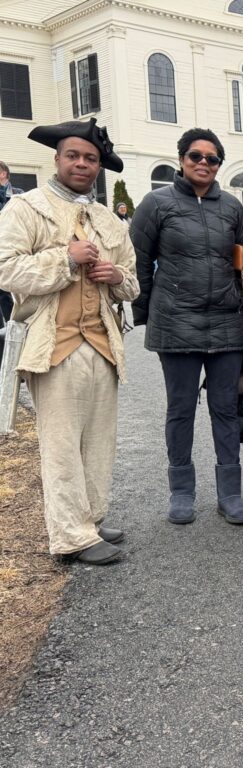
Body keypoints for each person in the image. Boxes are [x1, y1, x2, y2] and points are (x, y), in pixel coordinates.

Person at [0, 118, 139, 564]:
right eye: (73, 156)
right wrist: (65, 258)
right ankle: (71, 536)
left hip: (101, 341)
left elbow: (132, 282)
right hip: (51, 344)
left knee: (98, 440)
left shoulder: (107, 220)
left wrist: (115, 276)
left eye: (90, 158)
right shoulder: (26, 208)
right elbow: (5, 268)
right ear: (57, 159)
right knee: (60, 445)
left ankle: (91, 519)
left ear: (99, 166)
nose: (81, 164)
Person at [131, 128, 243, 526]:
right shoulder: (156, 203)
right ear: (182, 159)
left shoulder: (233, 208)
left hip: (225, 324)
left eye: (212, 158)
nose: (204, 163)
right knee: (181, 409)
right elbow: (138, 260)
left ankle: (229, 492)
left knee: (226, 408)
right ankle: (181, 490)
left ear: (219, 164)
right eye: (196, 156)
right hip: (176, 322)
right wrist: (146, 313)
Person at [0, 160, 25, 322]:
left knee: (15, 293)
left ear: (3, 174)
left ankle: (14, 329)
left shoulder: (18, 194)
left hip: (16, 249)